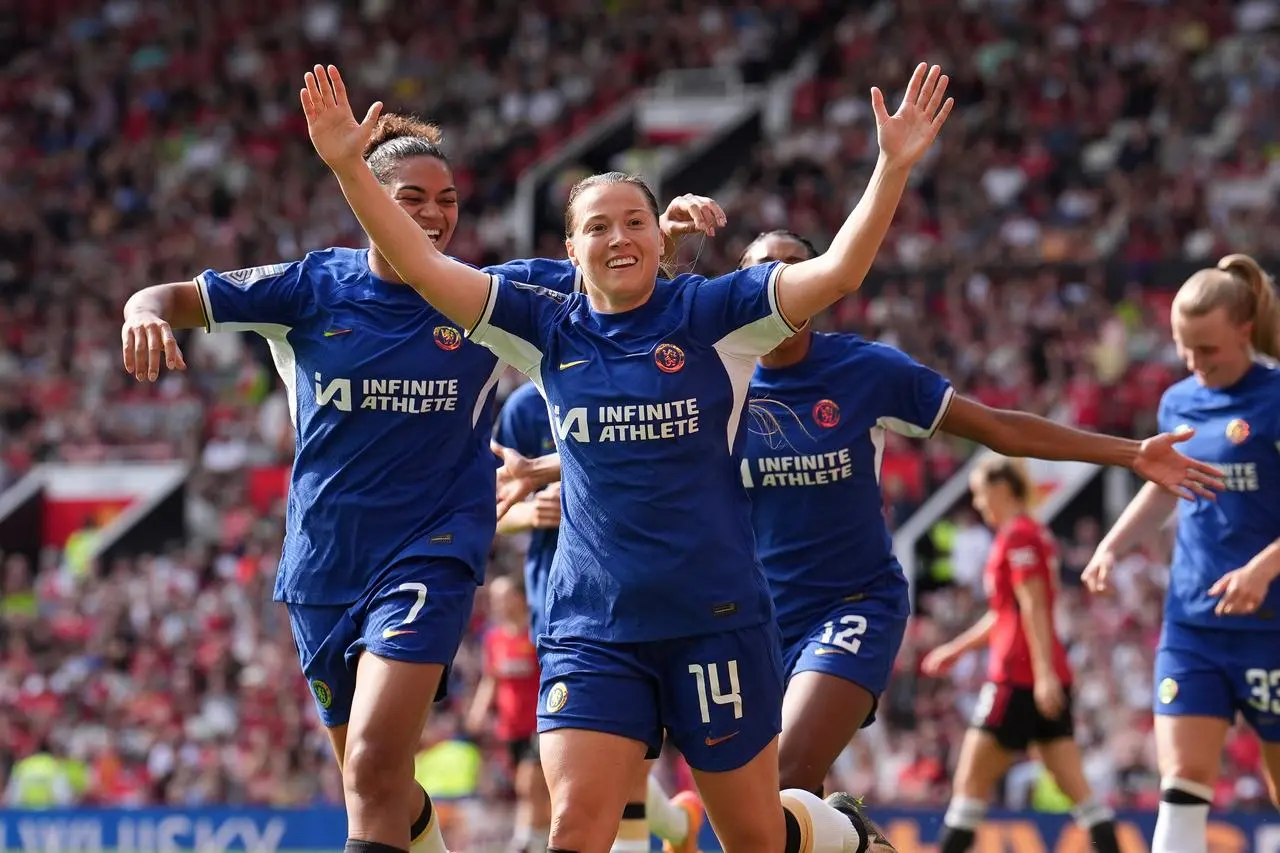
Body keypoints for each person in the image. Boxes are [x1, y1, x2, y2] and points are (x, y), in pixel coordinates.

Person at [302, 59, 954, 853]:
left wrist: (890, 166)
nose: (619, 238)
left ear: (658, 233)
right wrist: (347, 167)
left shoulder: (716, 312)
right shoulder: (544, 325)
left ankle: (841, 832)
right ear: (570, 251)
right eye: (598, 226)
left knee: (751, 833)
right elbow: (425, 265)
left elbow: (839, 270)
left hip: (713, 618)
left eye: (633, 221)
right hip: (594, 627)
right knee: (575, 826)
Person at [118, 114, 711, 853]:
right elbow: (172, 297)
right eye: (412, 199)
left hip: (431, 553)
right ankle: (668, 822)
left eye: (447, 199)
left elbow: (621, 276)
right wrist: (142, 311)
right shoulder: (310, 287)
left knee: (371, 762)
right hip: (323, 564)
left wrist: (669, 236)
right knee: (379, 781)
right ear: (366, 196)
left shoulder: (490, 299)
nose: (434, 215)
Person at [732, 230, 1223, 811]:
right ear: (741, 285)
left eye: (795, 266)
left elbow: (1001, 427)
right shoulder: (715, 380)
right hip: (753, 616)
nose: (781, 278)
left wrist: (1130, 451)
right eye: (766, 268)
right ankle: (850, 838)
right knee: (767, 811)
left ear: (821, 281)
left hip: (851, 604)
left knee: (783, 775)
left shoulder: (865, 372)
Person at [1081, 254, 1280, 853]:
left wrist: (1264, 567)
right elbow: (1165, 483)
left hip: (1270, 625)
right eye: (1183, 348)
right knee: (1184, 781)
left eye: (1208, 350)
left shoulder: (1275, 398)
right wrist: (1112, 545)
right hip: (1193, 621)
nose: (1195, 363)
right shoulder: (1178, 403)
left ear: (1244, 331)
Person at [495, 381, 704, 853]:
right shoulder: (524, 410)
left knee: (620, 754)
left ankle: (675, 825)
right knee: (605, 755)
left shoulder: (627, 382)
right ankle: (675, 825)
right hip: (557, 606)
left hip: (635, 593)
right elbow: (488, 506)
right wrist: (530, 513)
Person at [920, 458, 1120, 853]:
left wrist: (1041, 673)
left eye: (980, 494)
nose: (978, 504)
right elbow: (1008, 612)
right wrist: (957, 650)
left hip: (1017, 677)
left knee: (969, 787)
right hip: (1044, 675)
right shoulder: (1031, 534)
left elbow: (1033, 607)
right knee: (1078, 790)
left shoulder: (1018, 536)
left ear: (1003, 490)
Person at [466, 575, 550, 853]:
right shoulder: (494, 639)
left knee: (530, 783)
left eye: (503, 597)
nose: (497, 604)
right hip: (510, 727)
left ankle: (526, 842)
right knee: (528, 789)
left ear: (519, 597)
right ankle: (542, 838)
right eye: (493, 598)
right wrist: (478, 710)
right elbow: (491, 678)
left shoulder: (536, 633)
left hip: (539, 724)